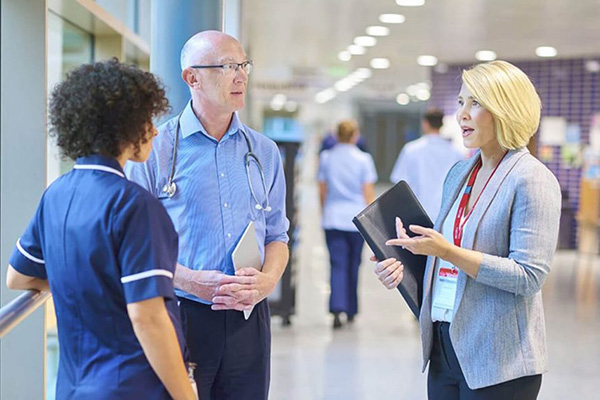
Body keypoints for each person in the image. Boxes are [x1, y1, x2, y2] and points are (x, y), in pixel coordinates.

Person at [6, 59, 196, 400]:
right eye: (147, 120)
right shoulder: (135, 206)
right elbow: (148, 318)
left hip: (72, 388)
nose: (155, 131)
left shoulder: (56, 195)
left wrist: (88, 284)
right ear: (120, 127)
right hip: (132, 388)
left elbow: (17, 277)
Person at [373, 60, 561, 399]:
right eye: (461, 102)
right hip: (445, 344)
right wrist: (403, 268)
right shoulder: (459, 174)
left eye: (475, 103)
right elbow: (445, 261)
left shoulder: (532, 179)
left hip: (499, 359)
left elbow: (528, 276)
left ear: (506, 110)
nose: (461, 114)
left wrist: (448, 251)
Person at [125, 31, 289, 400]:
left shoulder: (264, 152)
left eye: (243, 65)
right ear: (192, 78)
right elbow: (134, 247)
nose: (241, 76)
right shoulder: (155, 151)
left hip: (249, 320)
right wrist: (190, 280)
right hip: (182, 315)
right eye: (227, 66)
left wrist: (267, 282)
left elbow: (277, 235)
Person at [318, 120, 377, 329]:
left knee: (337, 264)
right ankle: (351, 309)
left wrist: (324, 212)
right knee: (354, 264)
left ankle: (337, 308)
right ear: (355, 136)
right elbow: (368, 193)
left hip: (333, 219)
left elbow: (322, 190)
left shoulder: (326, 157)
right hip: (356, 220)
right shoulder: (364, 159)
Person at [390, 108, 464, 221]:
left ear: (425, 124)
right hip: (446, 215)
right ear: (442, 124)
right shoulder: (456, 152)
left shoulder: (411, 149)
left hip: (416, 213)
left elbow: (399, 182)